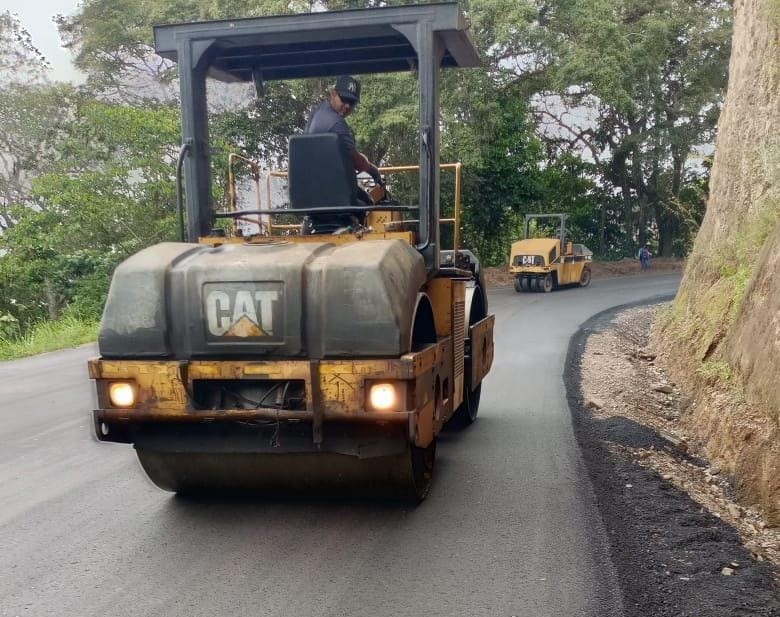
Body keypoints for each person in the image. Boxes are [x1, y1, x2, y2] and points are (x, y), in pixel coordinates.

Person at [304, 75, 384, 203]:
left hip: (312, 188)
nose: (347, 106)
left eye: (352, 102)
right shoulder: (337, 123)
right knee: (370, 201)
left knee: (362, 187)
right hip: (330, 192)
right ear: (333, 93)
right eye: (344, 99)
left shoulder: (317, 112)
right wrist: (373, 171)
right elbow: (359, 164)